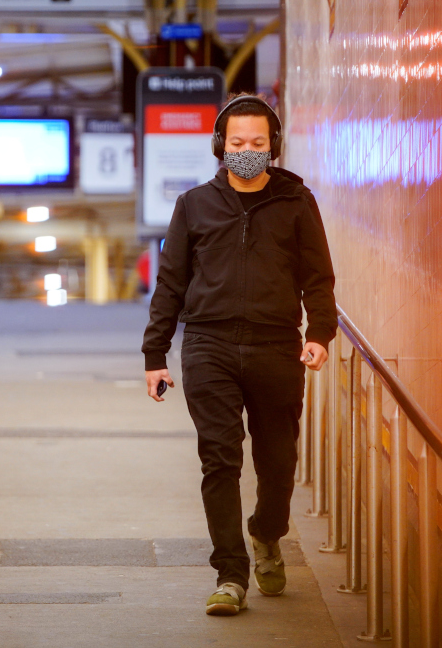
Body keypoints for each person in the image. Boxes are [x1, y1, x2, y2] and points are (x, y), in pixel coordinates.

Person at [142, 93, 337, 616]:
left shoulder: (297, 203)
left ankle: (266, 532)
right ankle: (231, 574)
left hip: (277, 346)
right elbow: (171, 283)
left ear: (272, 146)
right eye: (236, 142)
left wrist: (320, 331)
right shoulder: (195, 205)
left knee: (278, 462)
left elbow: (318, 277)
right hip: (209, 344)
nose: (246, 150)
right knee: (220, 458)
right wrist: (154, 353)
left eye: (257, 142)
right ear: (219, 146)